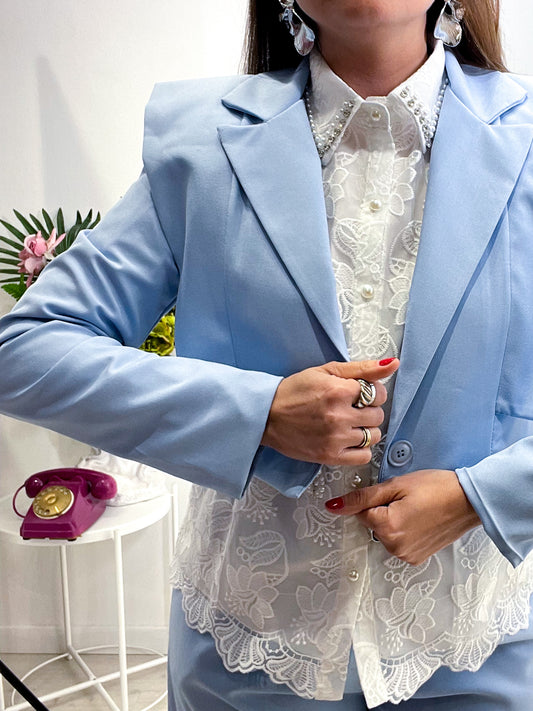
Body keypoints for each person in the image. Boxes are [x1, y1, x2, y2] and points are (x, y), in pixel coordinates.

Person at [0, 0, 532, 708]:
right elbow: (27, 348)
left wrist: (484, 498)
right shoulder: (202, 146)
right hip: (247, 656)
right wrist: (258, 412)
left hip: (478, 646)